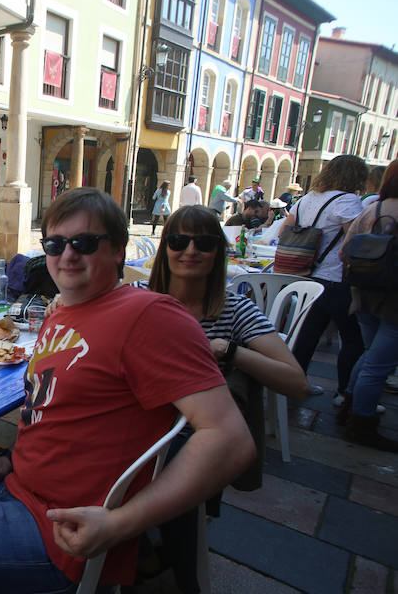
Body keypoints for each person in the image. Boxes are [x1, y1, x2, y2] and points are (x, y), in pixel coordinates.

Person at [0, 188, 255, 592]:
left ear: (119, 251)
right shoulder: (62, 312)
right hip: (17, 487)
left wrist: (120, 523)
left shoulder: (150, 315)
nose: (67, 254)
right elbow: (57, 412)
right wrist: (15, 463)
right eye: (54, 245)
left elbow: (230, 441)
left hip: (59, 532)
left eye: (85, 242)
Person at [136, 205, 308, 592]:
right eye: (179, 240)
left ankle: (165, 560)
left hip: (189, 434)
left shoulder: (234, 308)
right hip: (137, 422)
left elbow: (297, 382)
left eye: (204, 242)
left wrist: (227, 349)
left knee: (177, 463)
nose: (190, 250)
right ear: (165, 249)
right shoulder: (137, 298)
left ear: (218, 252)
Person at [281, 154, 365, 407]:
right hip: (336, 278)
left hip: (308, 276)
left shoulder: (307, 198)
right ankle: (344, 392)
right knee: (352, 339)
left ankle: (296, 386)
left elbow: (287, 228)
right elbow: (355, 240)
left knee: (306, 336)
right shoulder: (348, 201)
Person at [338, 159, 398, 452]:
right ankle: (361, 422)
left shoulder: (371, 210)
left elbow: (343, 253)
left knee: (370, 354)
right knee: (379, 364)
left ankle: (349, 404)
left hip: (362, 294)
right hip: (393, 302)